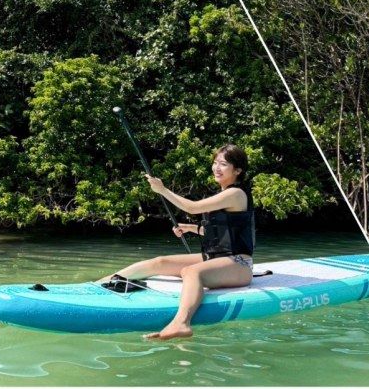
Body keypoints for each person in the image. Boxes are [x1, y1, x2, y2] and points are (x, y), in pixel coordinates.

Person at [98, 144, 255, 340]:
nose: (216, 167)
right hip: (214, 258)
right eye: (215, 163)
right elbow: (224, 233)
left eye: (223, 164)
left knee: (190, 271)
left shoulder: (236, 193)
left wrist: (163, 190)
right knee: (160, 262)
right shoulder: (224, 194)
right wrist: (192, 229)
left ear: (238, 170)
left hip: (238, 264)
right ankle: (99, 284)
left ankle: (181, 323)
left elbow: (192, 207)